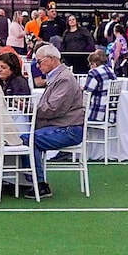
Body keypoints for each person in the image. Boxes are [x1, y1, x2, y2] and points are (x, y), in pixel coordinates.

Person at [28, 44, 86, 194]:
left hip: (68, 129)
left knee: (27, 140)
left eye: (39, 61)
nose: (37, 65)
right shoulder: (59, 77)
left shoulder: (64, 79)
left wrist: (30, 109)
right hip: (65, 127)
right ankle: (33, 181)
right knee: (26, 139)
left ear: (52, 59)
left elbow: (53, 109)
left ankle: (38, 183)